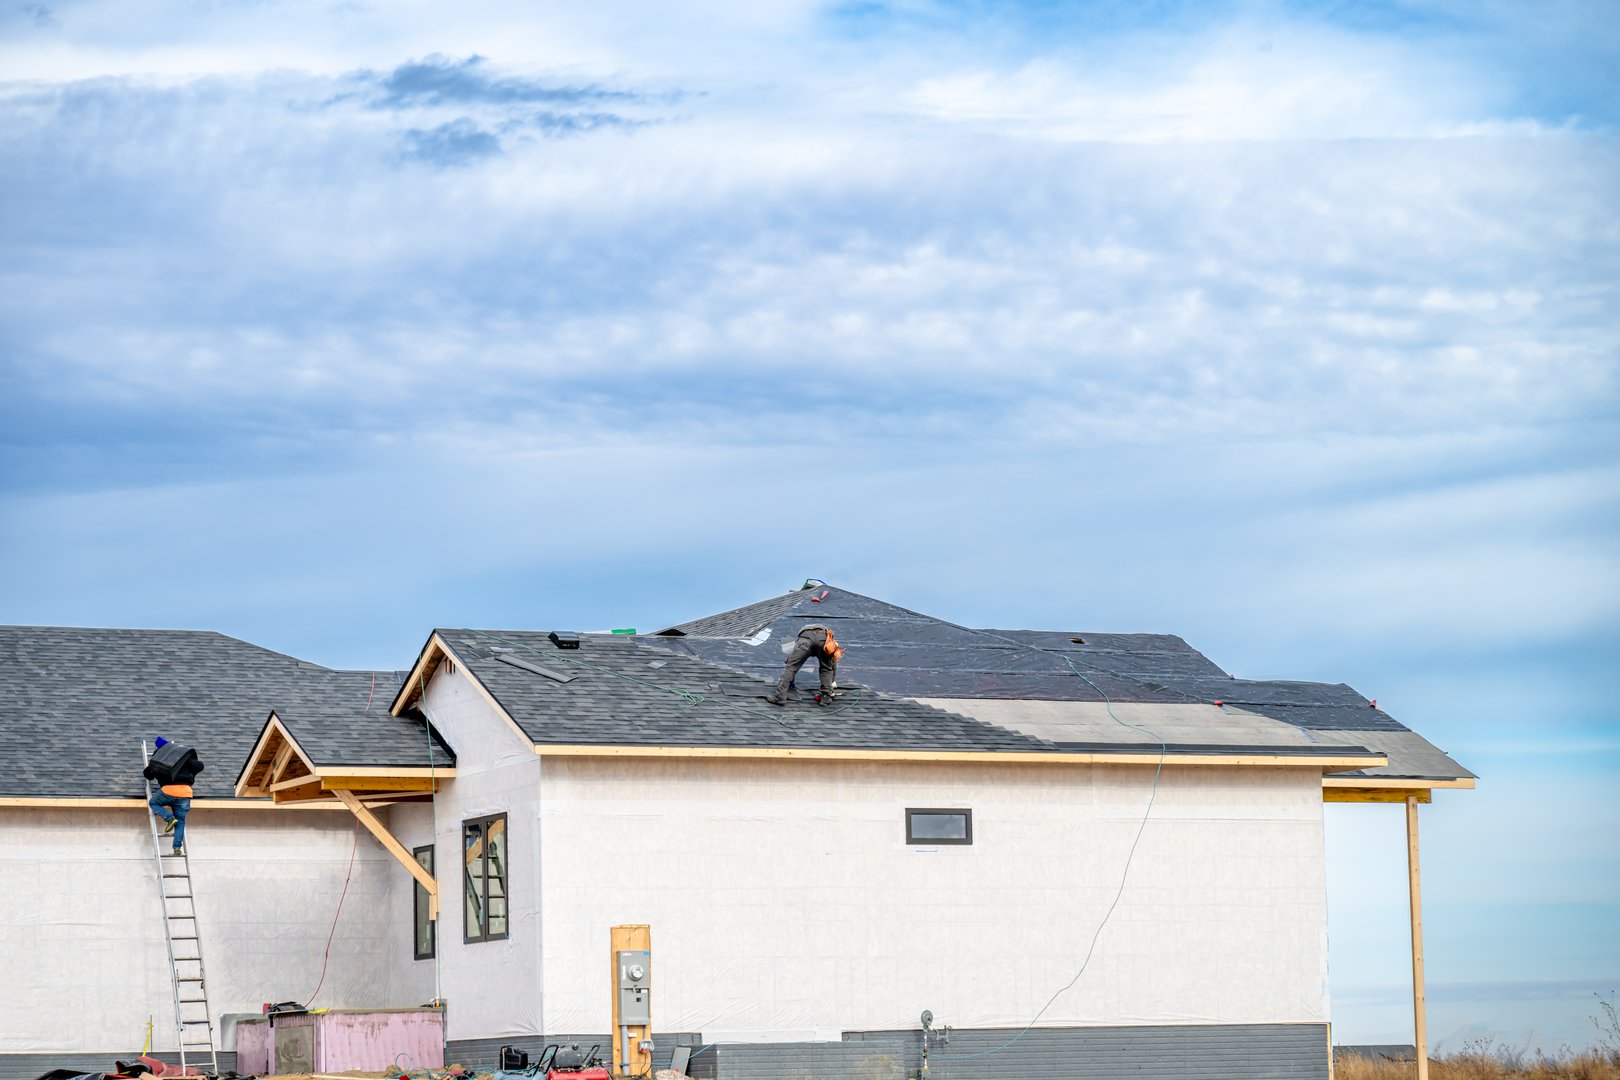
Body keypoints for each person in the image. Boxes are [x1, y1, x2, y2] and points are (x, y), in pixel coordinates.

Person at [144, 737, 204, 856]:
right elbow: (199, 766)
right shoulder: (184, 755)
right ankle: (177, 848)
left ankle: (169, 818)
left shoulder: (159, 758)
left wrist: (153, 765)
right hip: (185, 792)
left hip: (168, 791)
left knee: (153, 803)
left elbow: (147, 775)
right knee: (181, 822)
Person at [765, 624, 845, 706]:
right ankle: (825, 698)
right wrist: (830, 689)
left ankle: (779, 696)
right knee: (826, 668)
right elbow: (832, 665)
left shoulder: (803, 635)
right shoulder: (829, 638)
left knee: (791, 667)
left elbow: (790, 663)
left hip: (805, 639)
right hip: (823, 640)